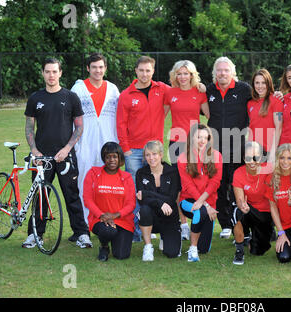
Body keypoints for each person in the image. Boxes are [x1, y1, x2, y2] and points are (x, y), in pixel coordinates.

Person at [23, 57, 92, 249]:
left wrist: (67, 148)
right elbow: (29, 128)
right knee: (41, 195)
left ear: (60, 73)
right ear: (43, 73)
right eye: (48, 71)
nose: (51, 75)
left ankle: (81, 234)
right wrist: (35, 151)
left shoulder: (71, 97)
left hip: (65, 156)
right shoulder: (35, 98)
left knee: (72, 195)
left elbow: (79, 128)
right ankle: (35, 234)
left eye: (55, 71)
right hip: (41, 158)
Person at [116, 55, 170, 242]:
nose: (145, 74)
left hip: (154, 150)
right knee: (133, 191)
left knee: (155, 189)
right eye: (141, 70)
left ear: (153, 71)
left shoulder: (161, 89)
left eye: (148, 70)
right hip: (134, 151)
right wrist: (126, 149)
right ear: (136, 71)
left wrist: (201, 87)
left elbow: (181, 93)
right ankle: (135, 232)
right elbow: (121, 124)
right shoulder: (126, 95)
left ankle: (153, 227)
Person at [71, 53, 120, 232]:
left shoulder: (113, 89)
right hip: (85, 144)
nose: (98, 70)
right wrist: (74, 145)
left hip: (109, 143)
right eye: (94, 67)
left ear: (105, 68)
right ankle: (85, 223)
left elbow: (120, 117)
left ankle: (108, 220)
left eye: (101, 67)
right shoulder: (78, 89)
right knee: (85, 182)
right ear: (88, 68)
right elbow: (71, 119)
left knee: (108, 182)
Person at [206, 56, 251, 239]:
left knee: (238, 185)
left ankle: (241, 221)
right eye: (219, 70)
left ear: (232, 72)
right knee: (219, 185)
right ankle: (225, 224)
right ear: (215, 73)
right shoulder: (209, 90)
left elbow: (263, 95)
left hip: (238, 145)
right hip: (216, 147)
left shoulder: (243, 89)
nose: (222, 73)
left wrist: (278, 94)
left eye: (226, 70)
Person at [164, 60, 209, 241]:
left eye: (186, 73)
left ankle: (200, 218)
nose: (182, 77)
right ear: (175, 75)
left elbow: (210, 115)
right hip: (176, 144)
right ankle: (183, 224)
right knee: (179, 184)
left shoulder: (199, 92)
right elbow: (160, 116)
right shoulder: (170, 92)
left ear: (192, 74)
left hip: (196, 145)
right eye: (179, 73)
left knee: (196, 182)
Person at [177, 123, 223, 262]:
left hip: (208, 200)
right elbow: (188, 185)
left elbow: (215, 182)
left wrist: (206, 203)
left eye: (205, 137)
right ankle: (192, 248)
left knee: (205, 249)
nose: (202, 141)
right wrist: (205, 205)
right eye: (198, 137)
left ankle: (197, 245)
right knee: (200, 211)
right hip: (188, 200)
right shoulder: (183, 158)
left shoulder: (216, 156)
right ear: (192, 139)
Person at [83, 142, 136, 261]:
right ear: (104, 158)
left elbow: (131, 203)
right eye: (108, 157)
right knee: (108, 231)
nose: (111, 160)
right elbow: (87, 199)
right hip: (100, 219)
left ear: (119, 158)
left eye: (115, 157)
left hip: (122, 220)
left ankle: (115, 238)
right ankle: (104, 246)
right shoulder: (93, 173)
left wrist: (114, 215)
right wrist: (102, 215)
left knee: (121, 255)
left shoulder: (126, 177)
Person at [136, 140, 182, 261]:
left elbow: (171, 199)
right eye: (148, 155)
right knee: (144, 210)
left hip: (169, 215)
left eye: (154, 154)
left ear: (161, 155)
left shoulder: (172, 172)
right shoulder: (141, 173)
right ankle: (148, 246)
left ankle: (165, 237)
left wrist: (147, 193)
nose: (151, 158)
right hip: (151, 216)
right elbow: (142, 201)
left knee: (172, 253)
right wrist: (160, 203)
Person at [231, 141, 274, 265]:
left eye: (256, 157)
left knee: (257, 251)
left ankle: (257, 235)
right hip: (247, 209)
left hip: (264, 214)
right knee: (237, 212)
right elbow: (239, 199)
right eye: (248, 158)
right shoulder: (238, 173)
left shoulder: (269, 170)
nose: (252, 161)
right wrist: (242, 205)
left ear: (261, 157)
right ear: (244, 158)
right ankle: (239, 250)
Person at [247, 68, 283, 162]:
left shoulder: (276, 100)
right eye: (257, 83)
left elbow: (278, 127)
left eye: (263, 83)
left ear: (269, 83)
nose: (260, 86)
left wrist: (273, 152)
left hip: (268, 151)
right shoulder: (250, 103)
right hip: (253, 150)